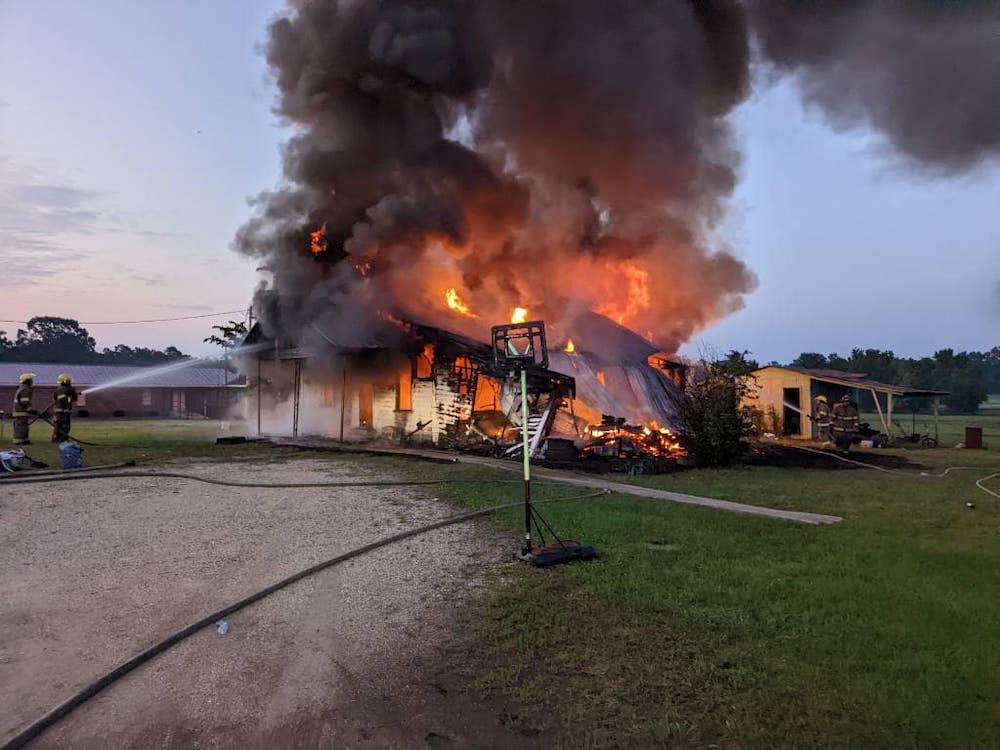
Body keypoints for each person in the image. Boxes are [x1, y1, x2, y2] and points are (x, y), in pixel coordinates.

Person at [52, 373, 78, 442]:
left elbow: (55, 399)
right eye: (69, 381)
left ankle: (55, 438)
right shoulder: (68, 389)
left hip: (57, 412)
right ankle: (63, 439)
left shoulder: (57, 390)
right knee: (65, 426)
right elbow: (71, 400)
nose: (70, 382)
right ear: (65, 381)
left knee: (57, 426)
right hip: (64, 412)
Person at [12, 373, 36, 445]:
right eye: (31, 380)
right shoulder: (25, 389)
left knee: (24, 426)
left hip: (20, 411)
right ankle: (19, 441)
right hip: (21, 412)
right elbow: (25, 401)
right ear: (27, 381)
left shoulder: (22, 388)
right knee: (21, 426)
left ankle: (25, 440)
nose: (32, 381)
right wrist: (30, 409)